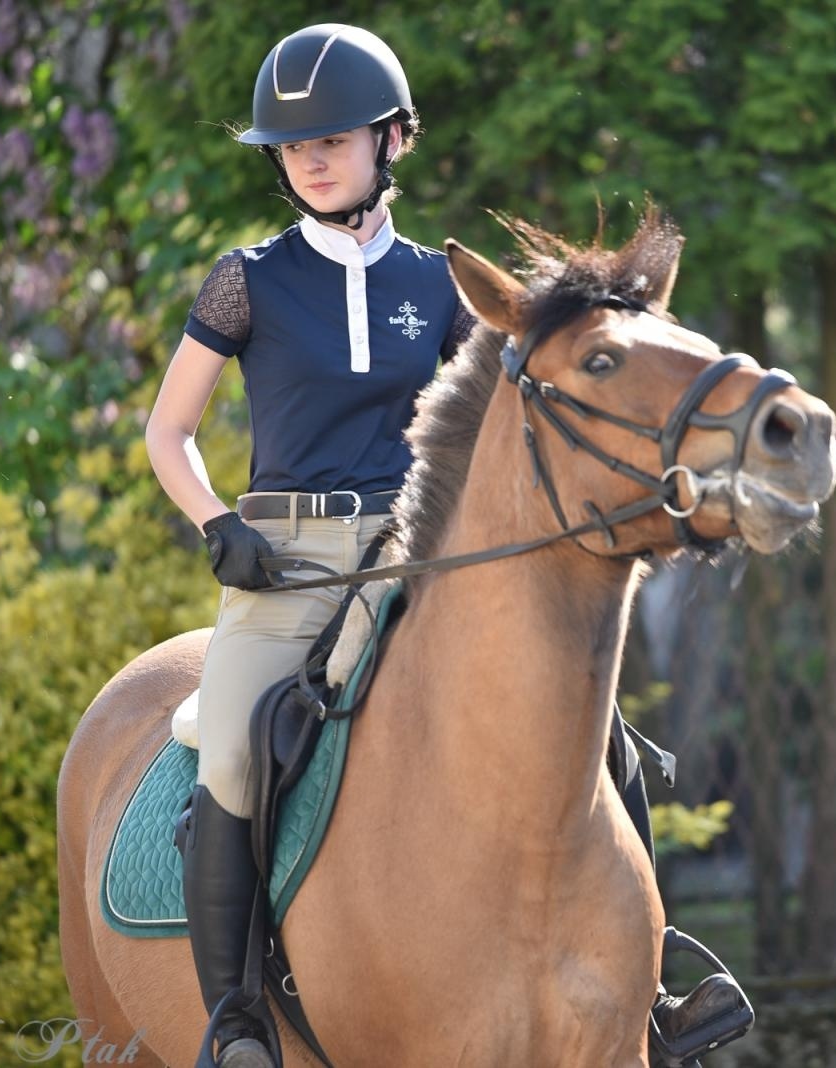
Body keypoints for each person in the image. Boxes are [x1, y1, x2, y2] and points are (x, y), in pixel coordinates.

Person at [145, 23, 750, 1068]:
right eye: (294, 148)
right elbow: (168, 432)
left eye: (333, 138)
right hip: (285, 562)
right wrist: (218, 525)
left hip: (420, 557)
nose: (313, 159)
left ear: (389, 141)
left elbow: (498, 429)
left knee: (592, 733)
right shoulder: (244, 280)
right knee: (237, 747)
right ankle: (236, 1016)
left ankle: (644, 992)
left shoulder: (440, 284)